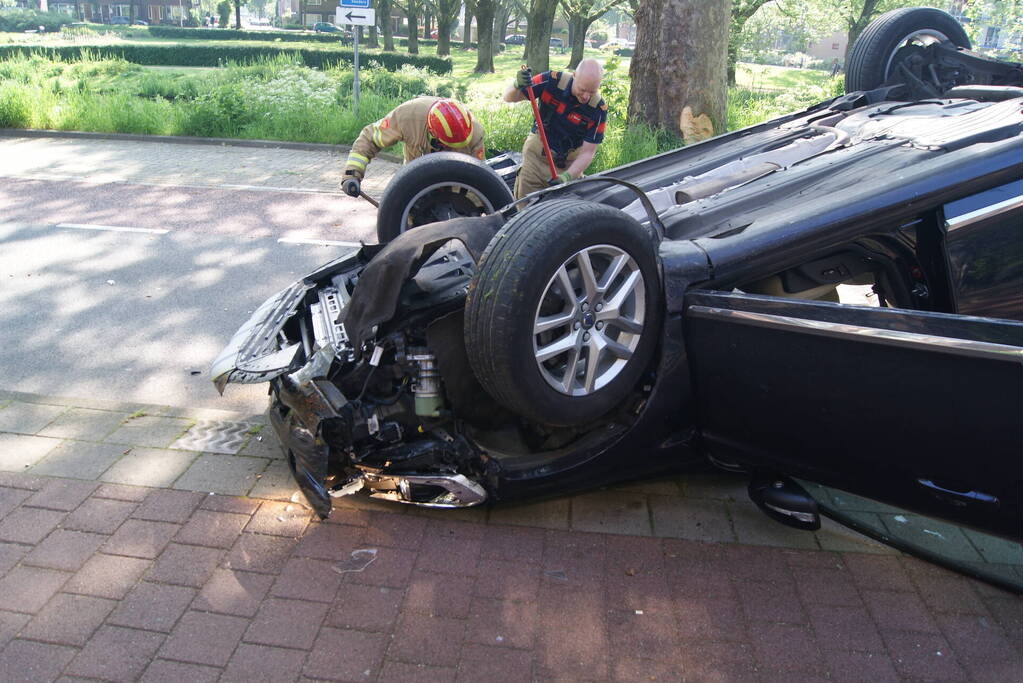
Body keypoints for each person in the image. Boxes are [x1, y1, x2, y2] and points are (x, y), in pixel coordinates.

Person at [503, 58, 607, 199]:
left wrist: (567, 177)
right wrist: (517, 85)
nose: (586, 96)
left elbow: (587, 153)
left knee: (565, 210)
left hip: (568, 168)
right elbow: (509, 97)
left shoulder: (598, 109)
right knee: (525, 207)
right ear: (574, 75)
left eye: (592, 92)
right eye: (582, 90)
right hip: (535, 160)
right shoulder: (550, 81)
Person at [341, 97, 485, 198]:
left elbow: (479, 181)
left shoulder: (475, 134)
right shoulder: (408, 117)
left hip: (454, 188)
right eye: (447, 145)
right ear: (432, 132)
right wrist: (352, 174)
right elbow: (370, 138)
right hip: (415, 178)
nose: (449, 150)